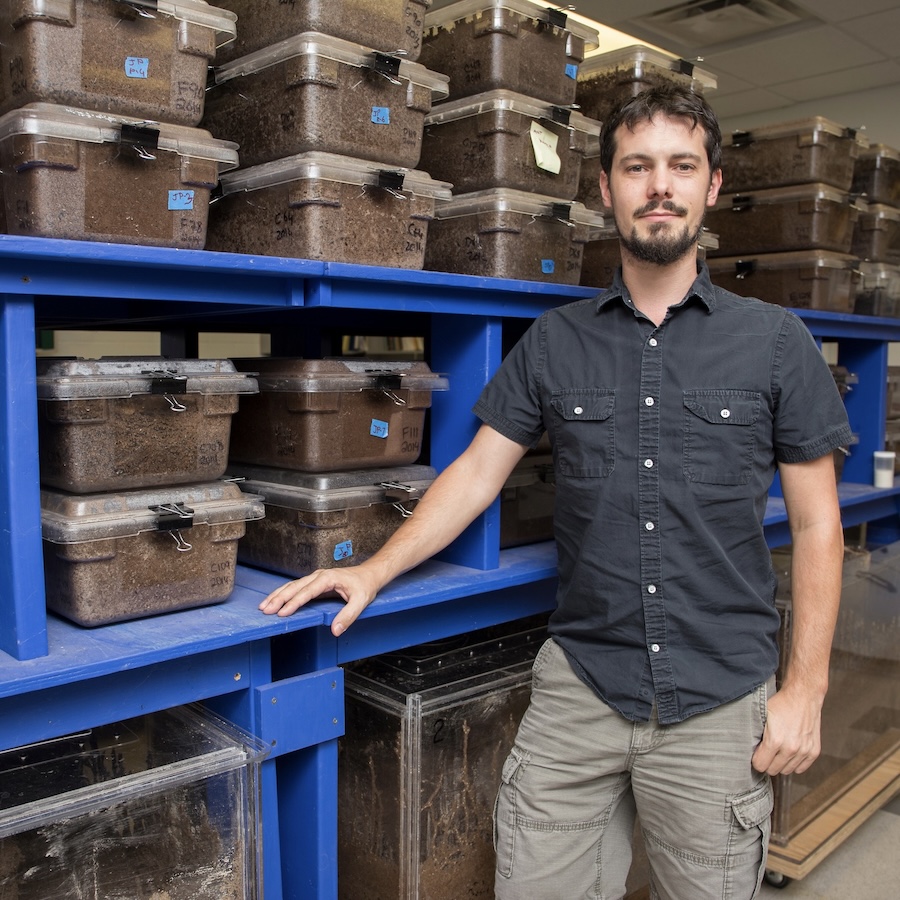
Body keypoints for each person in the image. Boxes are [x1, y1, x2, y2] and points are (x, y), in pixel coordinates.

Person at [260, 84, 851, 899]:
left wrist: (806, 691)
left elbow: (821, 525)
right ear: (605, 189)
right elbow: (474, 474)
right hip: (582, 689)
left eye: (682, 166)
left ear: (712, 187)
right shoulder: (554, 342)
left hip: (719, 702)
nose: (659, 187)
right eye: (636, 167)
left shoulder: (777, 343)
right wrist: (372, 570)